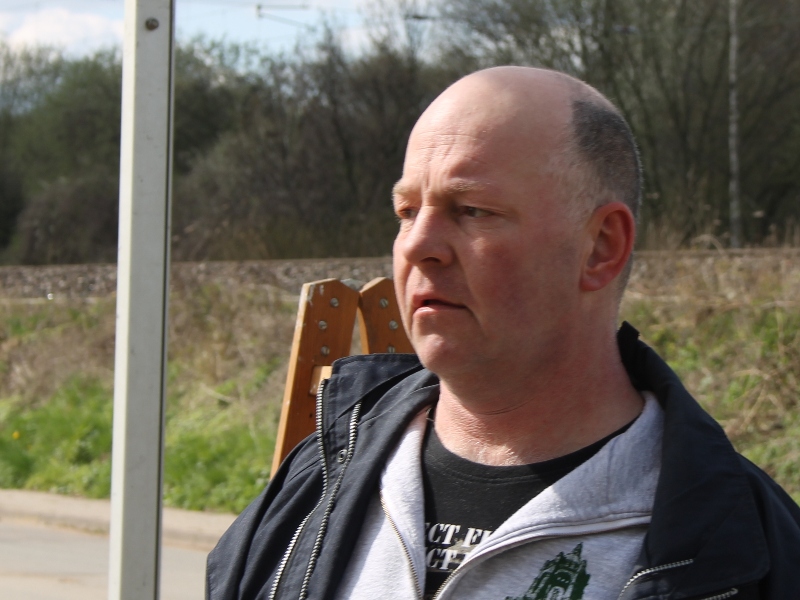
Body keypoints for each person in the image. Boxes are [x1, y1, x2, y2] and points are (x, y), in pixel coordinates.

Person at [207, 67, 800, 600]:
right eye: (407, 212)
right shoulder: (313, 489)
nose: (417, 246)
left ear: (600, 247)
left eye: (472, 210)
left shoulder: (748, 554)